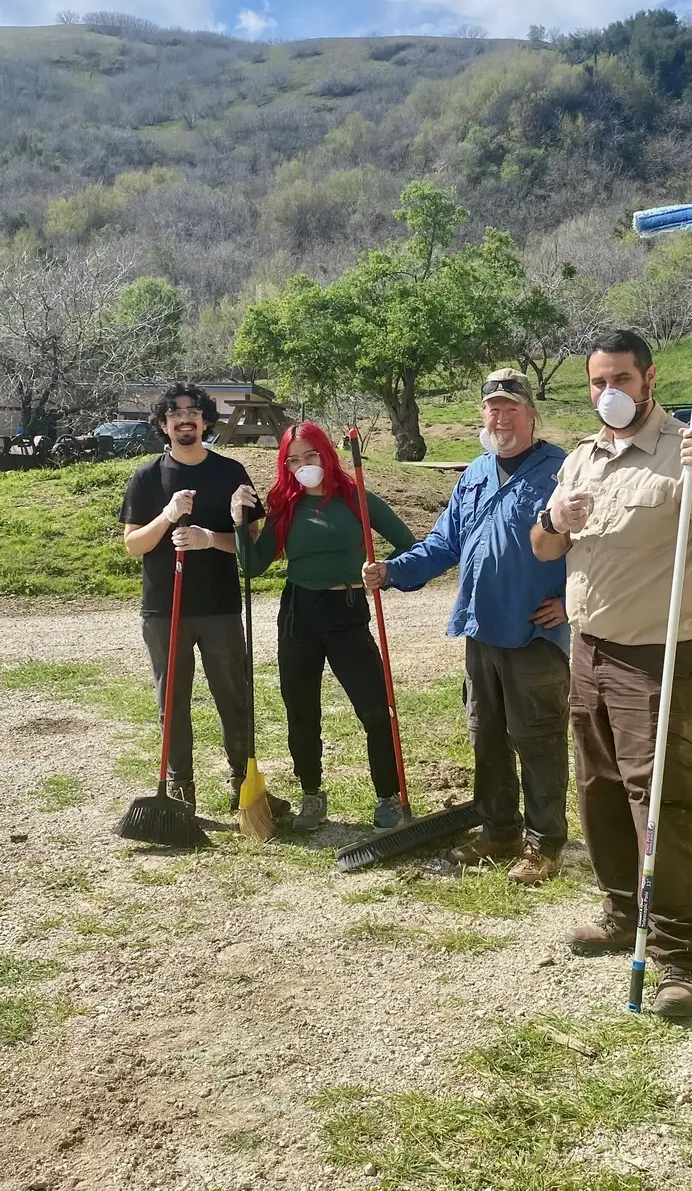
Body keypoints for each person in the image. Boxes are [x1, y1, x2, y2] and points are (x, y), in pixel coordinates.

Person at [531, 330, 692, 1017]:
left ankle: (678, 956)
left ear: (649, 379)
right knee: (597, 785)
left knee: (658, 800)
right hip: (589, 648)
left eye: (622, 379)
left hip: (658, 653)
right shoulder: (582, 459)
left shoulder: (686, 455)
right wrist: (554, 516)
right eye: (599, 381)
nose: (610, 393)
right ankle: (619, 906)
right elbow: (544, 543)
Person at [362, 369, 571, 885]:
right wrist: (392, 571)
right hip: (481, 632)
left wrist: (571, 600)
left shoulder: (561, 471)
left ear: (531, 414)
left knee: (537, 739)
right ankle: (500, 828)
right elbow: (442, 546)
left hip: (535, 635)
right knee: (487, 737)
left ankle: (544, 844)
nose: (501, 417)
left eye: (511, 408)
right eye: (492, 408)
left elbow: (596, 544)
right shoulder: (475, 473)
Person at [232, 423, 417, 833]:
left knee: (374, 708)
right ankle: (312, 794)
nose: (303, 466)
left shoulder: (356, 499)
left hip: (347, 610)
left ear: (326, 455)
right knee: (300, 709)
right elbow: (255, 564)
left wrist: (383, 571)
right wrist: (240, 523)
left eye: (310, 456)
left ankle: (388, 796)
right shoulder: (285, 503)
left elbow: (409, 544)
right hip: (300, 611)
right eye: (293, 460)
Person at [120, 382, 289, 819]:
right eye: (174, 412)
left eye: (193, 410)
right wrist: (167, 516)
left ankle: (243, 782)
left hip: (219, 606)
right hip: (163, 608)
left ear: (206, 420)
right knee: (171, 700)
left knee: (233, 694)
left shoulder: (230, 472)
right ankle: (180, 789)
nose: (184, 417)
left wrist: (208, 538)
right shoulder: (147, 477)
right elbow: (134, 545)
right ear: (163, 424)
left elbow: (250, 545)